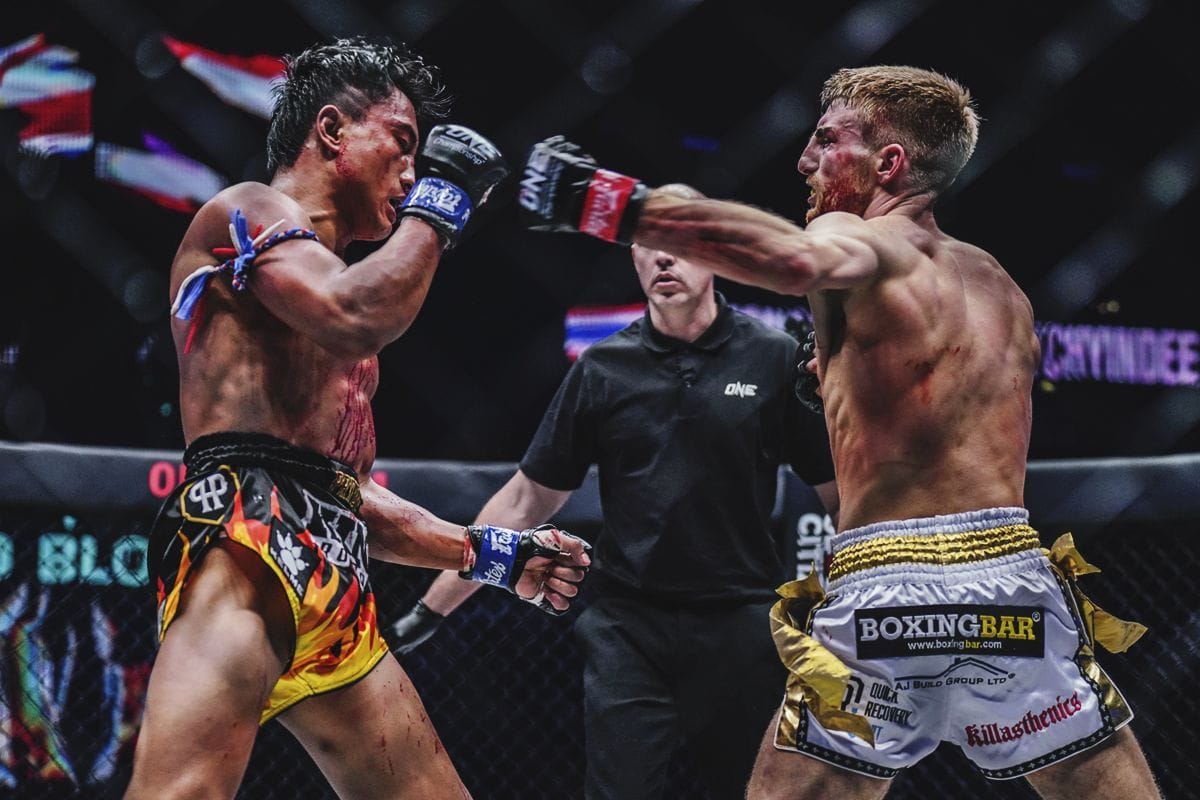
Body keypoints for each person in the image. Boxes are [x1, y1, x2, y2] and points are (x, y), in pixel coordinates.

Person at [514, 66, 1161, 799]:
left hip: (890, 594)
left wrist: (616, 205)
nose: (805, 161)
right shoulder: (999, 285)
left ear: (888, 163)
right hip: (1014, 587)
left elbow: (794, 260)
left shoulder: (855, 235)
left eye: (826, 140)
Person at [125, 37, 591, 800]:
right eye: (401, 144)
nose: (412, 174)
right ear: (333, 130)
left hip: (334, 575)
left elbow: (346, 498)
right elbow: (354, 315)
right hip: (244, 544)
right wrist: (444, 201)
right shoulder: (246, 211)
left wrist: (492, 555)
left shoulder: (337, 303)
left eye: (421, 161)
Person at [391, 183, 838, 800]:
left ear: (714, 249)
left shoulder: (774, 357)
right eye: (649, 242)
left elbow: (839, 493)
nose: (664, 257)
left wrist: (873, 591)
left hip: (741, 623)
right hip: (630, 628)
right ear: (633, 255)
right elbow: (525, 500)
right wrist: (428, 610)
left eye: (680, 241)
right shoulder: (604, 369)